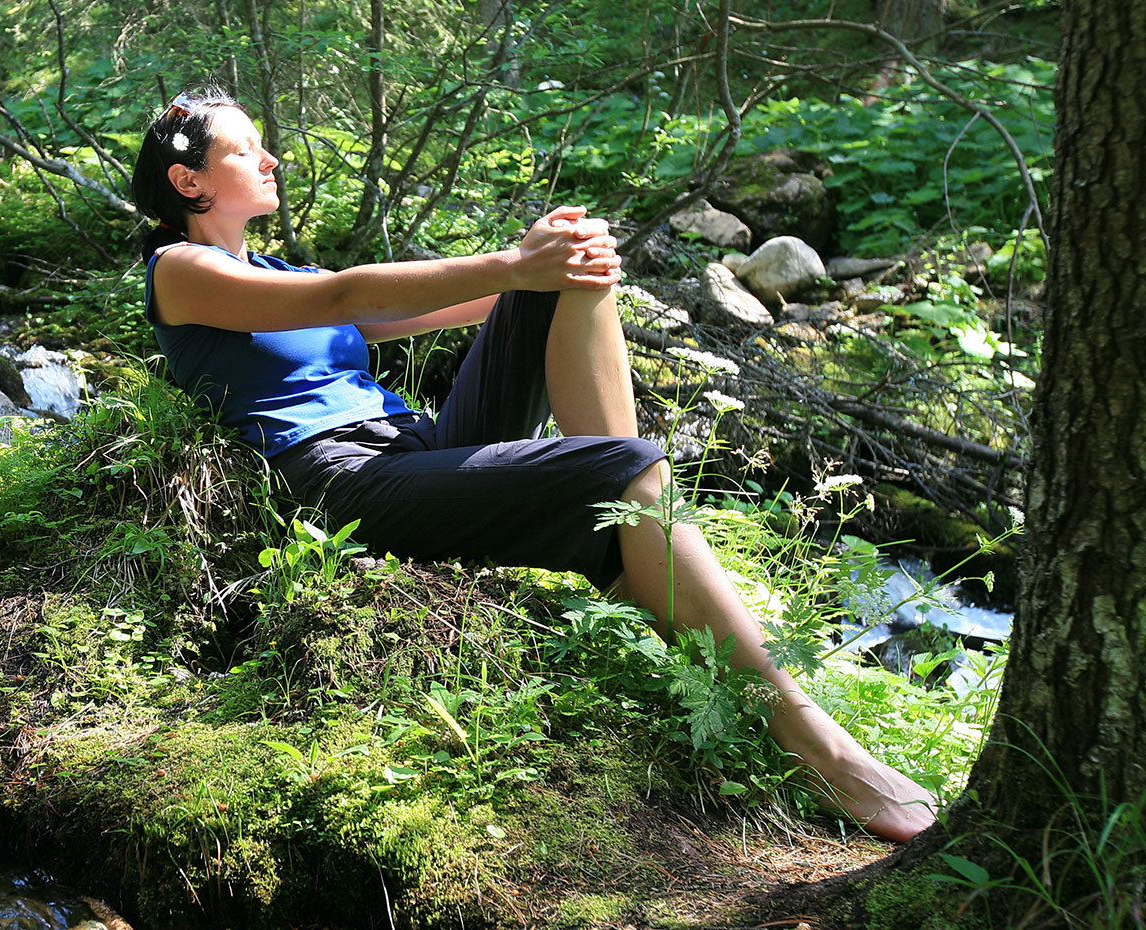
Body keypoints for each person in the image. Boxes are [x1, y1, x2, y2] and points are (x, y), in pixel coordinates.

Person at [131, 87, 938, 842]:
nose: (272, 161)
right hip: (346, 481)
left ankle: (627, 529)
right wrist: (514, 268)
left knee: (577, 286)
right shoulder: (182, 271)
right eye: (248, 151)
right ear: (188, 179)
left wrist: (546, 266)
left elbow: (411, 308)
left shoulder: (275, 272)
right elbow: (344, 297)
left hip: (415, 443)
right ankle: (816, 747)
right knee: (624, 457)